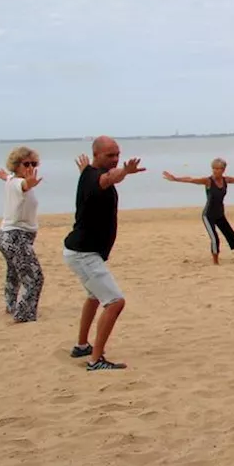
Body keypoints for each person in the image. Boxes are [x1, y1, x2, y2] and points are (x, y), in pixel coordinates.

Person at [63, 136, 145, 370]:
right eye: (110, 155)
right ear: (96, 155)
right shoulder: (95, 178)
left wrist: (93, 169)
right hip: (83, 254)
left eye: (118, 154)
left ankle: (82, 346)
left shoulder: (88, 173)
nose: (116, 159)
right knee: (115, 302)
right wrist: (126, 172)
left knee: (95, 296)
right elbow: (108, 179)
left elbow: (104, 177)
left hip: (81, 251)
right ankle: (96, 360)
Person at [162, 159, 234, 264]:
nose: (215, 171)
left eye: (218, 169)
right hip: (208, 215)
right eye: (213, 168)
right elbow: (191, 180)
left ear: (223, 170)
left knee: (231, 235)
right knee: (215, 239)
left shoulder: (226, 180)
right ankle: (215, 262)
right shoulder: (208, 181)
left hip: (220, 214)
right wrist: (175, 179)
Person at [0, 147, 44, 322]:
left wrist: (5, 176)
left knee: (14, 273)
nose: (30, 167)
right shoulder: (18, 183)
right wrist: (29, 183)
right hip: (16, 237)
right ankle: (23, 314)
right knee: (35, 277)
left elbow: (11, 180)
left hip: (6, 236)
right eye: (26, 164)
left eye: (33, 163)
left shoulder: (11, 180)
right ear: (16, 165)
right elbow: (22, 186)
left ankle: (11, 305)